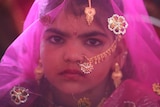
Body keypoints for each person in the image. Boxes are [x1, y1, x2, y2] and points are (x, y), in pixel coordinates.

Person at [0, 0, 160, 107]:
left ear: (118, 53)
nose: (72, 55)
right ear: (38, 45)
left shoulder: (140, 102)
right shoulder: (18, 98)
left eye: (92, 42)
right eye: (56, 39)